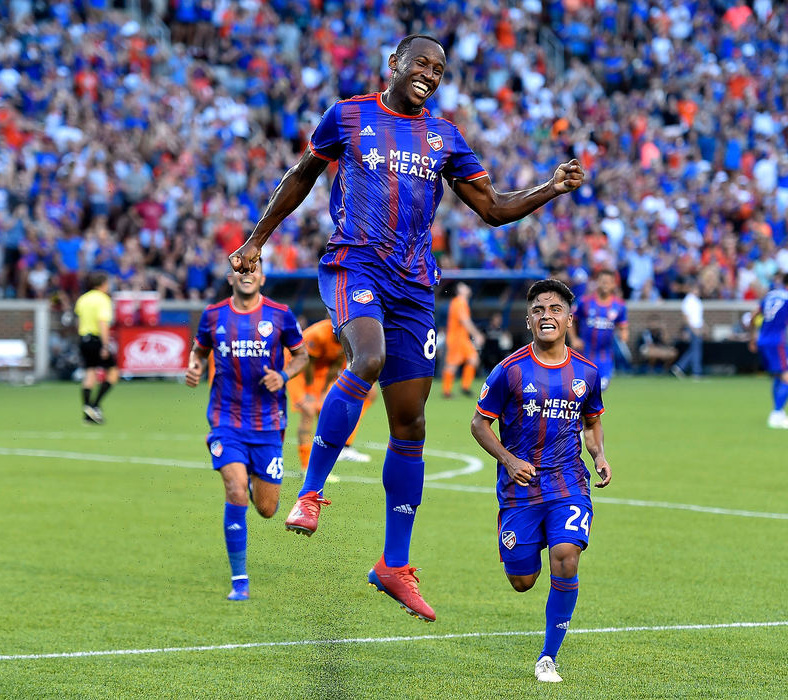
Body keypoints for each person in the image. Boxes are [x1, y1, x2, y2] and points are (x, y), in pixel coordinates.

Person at [228, 34, 585, 622]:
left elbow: (492, 209)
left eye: (438, 68)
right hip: (356, 263)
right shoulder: (348, 115)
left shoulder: (444, 137)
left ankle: (394, 565)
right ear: (394, 64)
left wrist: (551, 187)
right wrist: (255, 240)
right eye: (420, 63)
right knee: (365, 358)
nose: (429, 73)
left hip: (415, 286)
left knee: (411, 424)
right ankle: (312, 492)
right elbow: (300, 178)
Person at [470, 279, 612, 683]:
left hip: (568, 482)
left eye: (554, 309)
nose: (546, 315)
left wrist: (599, 455)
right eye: (538, 310)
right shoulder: (508, 370)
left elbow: (592, 422)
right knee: (522, 580)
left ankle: (547, 657)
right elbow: (479, 424)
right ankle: (531, 541)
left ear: (569, 319)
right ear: (529, 320)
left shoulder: (587, 372)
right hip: (520, 488)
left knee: (566, 555)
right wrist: (508, 459)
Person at [185, 262, 308, 601]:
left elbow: (301, 356)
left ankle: (255, 480)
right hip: (226, 421)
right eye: (240, 270)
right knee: (235, 490)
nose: (247, 273)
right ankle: (240, 580)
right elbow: (199, 350)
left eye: (253, 268)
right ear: (231, 278)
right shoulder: (212, 316)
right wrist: (195, 366)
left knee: (267, 508)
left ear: (262, 277)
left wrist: (283, 376)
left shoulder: (281, 315)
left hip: (269, 425)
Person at [286, 317, 377, 468]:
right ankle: (306, 466)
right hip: (299, 369)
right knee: (309, 410)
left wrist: (323, 392)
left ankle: (344, 446)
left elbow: (335, 366)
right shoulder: (319, 334)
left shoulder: (347, 333)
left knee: (366, 393)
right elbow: (308, 363)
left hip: (322, 370)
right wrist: (309, 393)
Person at [569, 269, 628, 391]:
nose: (605, 284)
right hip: (584, 354)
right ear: (597, 282)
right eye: (602, 281)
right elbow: (570, 320)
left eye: (608, 282)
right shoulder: (584, 302)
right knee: (580, 391)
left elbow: (623, 326)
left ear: (613, 285)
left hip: (605, 357)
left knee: (600, 388)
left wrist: (624, 334)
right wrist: (574, 338)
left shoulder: (619, 305)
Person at [74, 271, 118, 424]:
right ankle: (94, 405)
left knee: (90, 374)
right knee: (113, 372)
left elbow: (79, 322)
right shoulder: (103, 299)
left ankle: (88, 413)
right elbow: (102, 323)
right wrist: (105, 345)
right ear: (103, 284)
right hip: (96, 339)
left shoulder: (83, 299)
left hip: (83, 338)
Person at [749, 273, 788, 429]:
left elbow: (753, 316)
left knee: (778, 375)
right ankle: (776, 414)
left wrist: (752, 337)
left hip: (763, 340)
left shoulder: (771, 295)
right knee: (786, 376)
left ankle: (777, 412)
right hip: (777, 341)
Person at [442, 282, 485, 398]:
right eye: (463, 286)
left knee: (473, 359)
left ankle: (465, 387)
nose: (467, 287)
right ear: (459, 291)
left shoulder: (462, 302)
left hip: (462, 338)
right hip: (456, 338)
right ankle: (446, 391)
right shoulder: (459, 302)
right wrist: (477, 335)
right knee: (452, 364)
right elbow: (465, 320)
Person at [671, 278, 704, 379]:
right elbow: (686, 316)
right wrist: (692, 328)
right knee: (696, 350)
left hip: (698, 326)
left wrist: (703, 327)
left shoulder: (697, 301)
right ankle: (696, 372)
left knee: (694, 349)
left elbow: (699, 316)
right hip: (692, 327)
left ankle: (680, 367)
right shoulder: (688, 300)